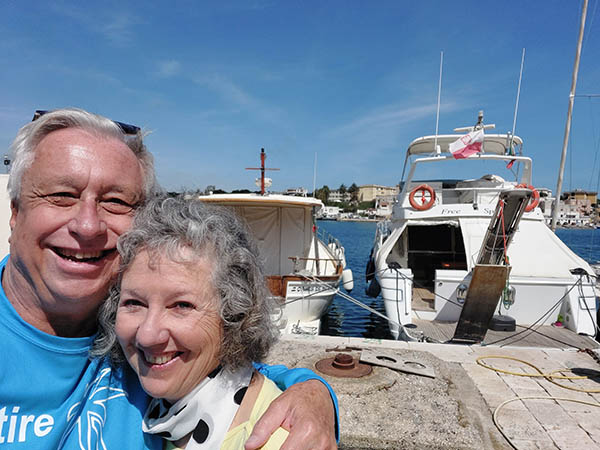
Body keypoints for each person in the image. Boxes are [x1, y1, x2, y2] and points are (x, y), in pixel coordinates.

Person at [0, 108, 338, 449]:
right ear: (15, 212)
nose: (87, 226)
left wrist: (313, 390)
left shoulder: (130, 332)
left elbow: (228, 370)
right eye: (61, 195)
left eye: (115, 201)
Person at [93, 194, 291, 448]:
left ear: (234, 316)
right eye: (134, 303)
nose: (147, 335)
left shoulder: (274, 440)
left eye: (182, 305)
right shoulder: (162, 409)